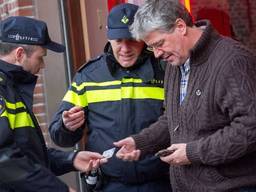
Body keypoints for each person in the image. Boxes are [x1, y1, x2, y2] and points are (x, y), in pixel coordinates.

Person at [114, 0, 256, 192]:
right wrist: (141, 142)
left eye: (159, 44)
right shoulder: (176, 61)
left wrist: (192, 153)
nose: (156, 54)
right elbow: (173, 119)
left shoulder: (232, 60)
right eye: (151, 48)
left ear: (180, 27)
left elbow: (250, 127)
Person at [49, 3, 171, 192]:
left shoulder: (166, 71)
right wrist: (67, 126)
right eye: (118, 40)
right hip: (109, 185)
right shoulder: (89, 76)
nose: (125, 48)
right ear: (108, 36)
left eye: (132, 40)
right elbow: (60, 137)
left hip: (162, 183)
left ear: (143, 36)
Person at [0, 16, 107, 192]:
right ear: (19, 54)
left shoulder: (10, 88)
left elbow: (27, 153)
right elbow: (6, 161)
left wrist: (71, 159)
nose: (42, 65)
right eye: (40, 57)